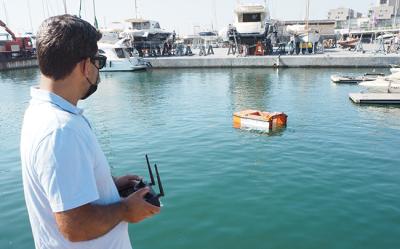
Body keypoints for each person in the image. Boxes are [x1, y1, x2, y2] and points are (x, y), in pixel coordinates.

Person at [20, 14, 160, 249]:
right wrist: (126, 209)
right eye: (99, 62)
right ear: (85, 66)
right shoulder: (60, 130)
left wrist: (108, 186)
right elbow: (75, 226)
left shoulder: (41, 113)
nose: (98, 70)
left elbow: (62, 189)